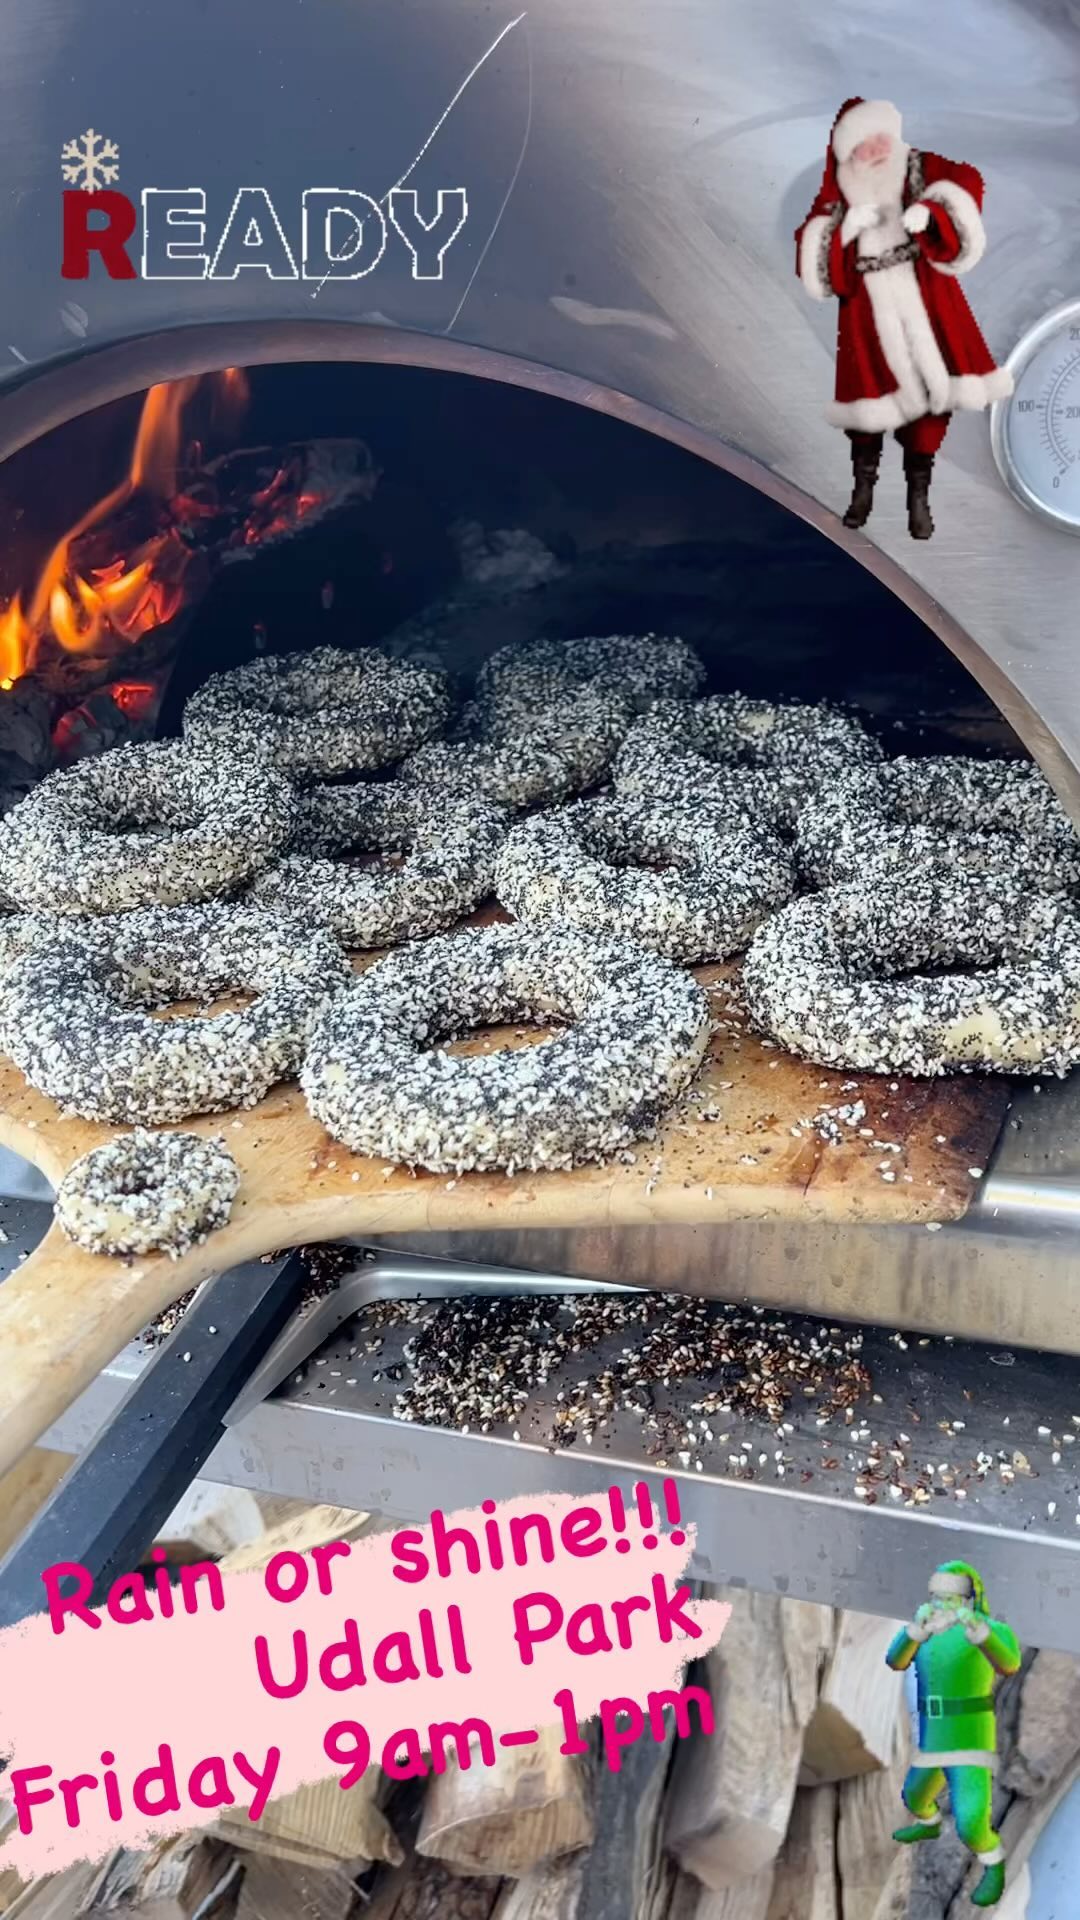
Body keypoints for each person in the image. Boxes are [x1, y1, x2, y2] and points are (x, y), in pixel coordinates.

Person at [794, 99, 1012, 540]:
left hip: (927, 299)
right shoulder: (838, 188)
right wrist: (846, 229)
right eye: (862, 143)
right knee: (867, 407)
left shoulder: (918, 167)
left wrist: (931, 211)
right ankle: (863, 489)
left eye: (880, 138)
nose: (875, 149)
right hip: (866, 312)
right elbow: (812, 243)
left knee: (934, 402)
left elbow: (967, 182)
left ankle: (919, 495)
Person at [885, 1559, 1021, 1908]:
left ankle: (993, 1863)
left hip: (970, 1736)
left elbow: (1009, 1664)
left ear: (967, 1600)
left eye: (950, 1599)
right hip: (934, 1737)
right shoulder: (926, 1633)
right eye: (936, 1597)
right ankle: (929, 1822)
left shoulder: (987, 1628)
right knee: (915, 1796)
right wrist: (913, 1632)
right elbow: (895, 1660)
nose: (942, 1606)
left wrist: (985, 1637)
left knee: (970, 1821)